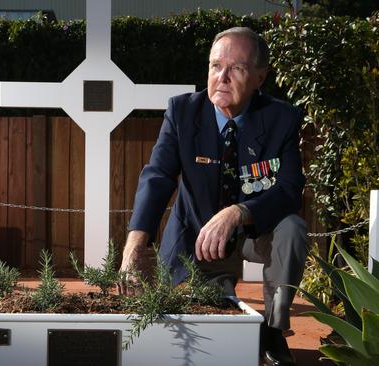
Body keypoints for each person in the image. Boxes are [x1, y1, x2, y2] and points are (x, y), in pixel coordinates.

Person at [118, 27, 308, 366]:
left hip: (255, 232)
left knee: (293, 228)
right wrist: (134, 245)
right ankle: (226, 304)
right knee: (213, 324)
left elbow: (290, 190)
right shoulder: (182, 112)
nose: (221, 77)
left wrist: (239, 211)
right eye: (215, 65)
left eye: (236, 68)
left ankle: (275, 330)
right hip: (198, 238)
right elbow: (158, 177)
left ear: (259, 77)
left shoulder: (282, 118)